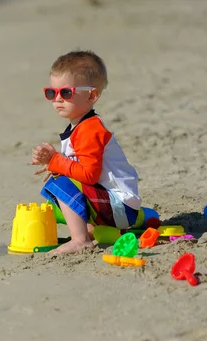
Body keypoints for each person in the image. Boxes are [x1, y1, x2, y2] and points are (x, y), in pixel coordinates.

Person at [31, 50, 142, 254]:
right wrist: (56, 165)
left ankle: (80, 240)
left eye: (65, 93)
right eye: (51, 93)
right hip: (117, 206)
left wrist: (57, 162)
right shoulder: (80, 126)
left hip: (120, 207)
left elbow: (89, 175)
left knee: (59, 185)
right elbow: (83, 170)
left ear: (91, 95)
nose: (57, 99)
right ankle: (90, 230)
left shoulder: (90, 129)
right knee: (58, 187)